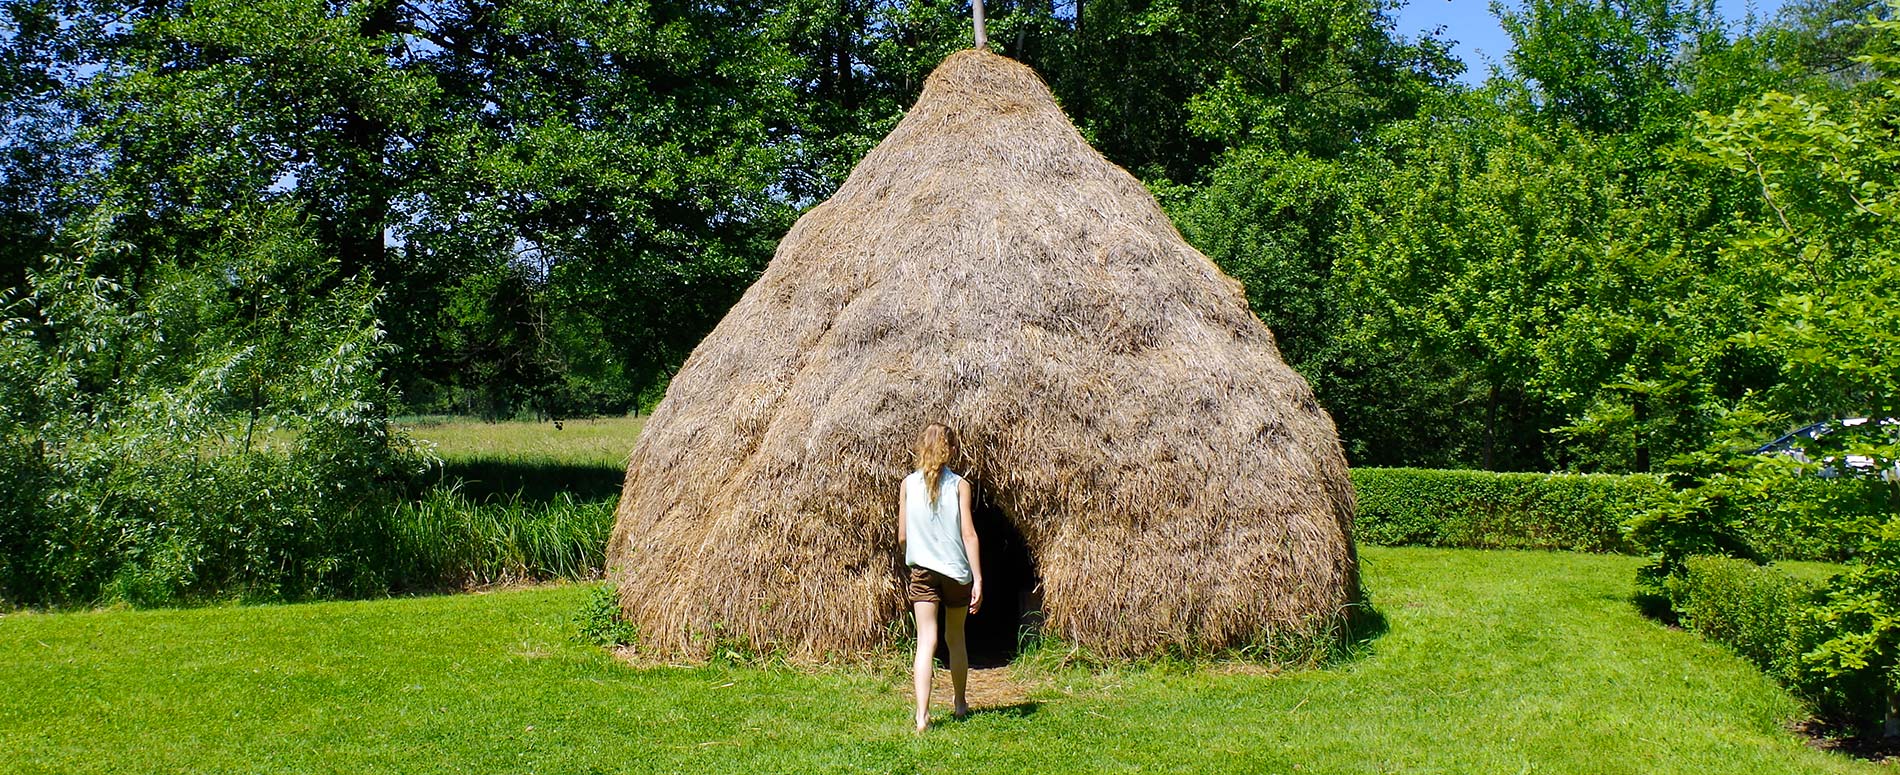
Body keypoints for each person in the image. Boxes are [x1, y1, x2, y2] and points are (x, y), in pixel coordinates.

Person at [896, 422, 982, 732]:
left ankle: (922, 715)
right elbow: (968, 534)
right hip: (956, 572)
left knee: (925, 641)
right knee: (955, 638)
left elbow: (903, 536)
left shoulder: (907, 484)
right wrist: (978, 578)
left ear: (921, 447)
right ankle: (959, 704)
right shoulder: (960, 485)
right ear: (951, 450)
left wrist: (915, 556)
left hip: (923, 572)